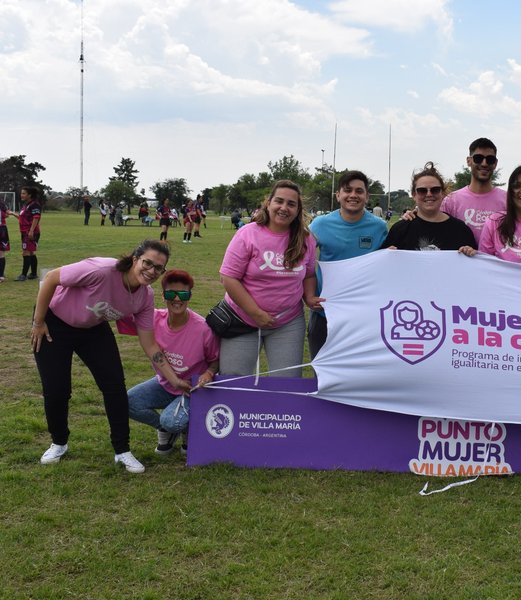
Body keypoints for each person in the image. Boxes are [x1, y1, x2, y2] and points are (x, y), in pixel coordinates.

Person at [30, 240, 185, 473]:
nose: (151, 271)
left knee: (114, 386)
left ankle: (122, 450)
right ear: (135, 259)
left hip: (93, 329)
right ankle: (59, 443)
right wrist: (39, 322)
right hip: (54, 323)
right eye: (147, 263)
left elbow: (149, 343)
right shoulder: (101, 270)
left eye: (158, 268)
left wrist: (173, 380)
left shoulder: (145, 296)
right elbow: (51, 277)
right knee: (57, 389)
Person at [218, 180, 321, 377]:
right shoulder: (247, 234)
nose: (284, 208)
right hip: (242, 319)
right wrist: (255, 312)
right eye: (279, 201)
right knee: (233, 381)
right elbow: (228, 277)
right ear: (268, 203)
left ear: (298, 209)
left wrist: (309, 297)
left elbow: (308, 273)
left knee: (286, 384)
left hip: (288, 323)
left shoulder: (306, 238)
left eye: (291, 204)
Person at [128, 269, 219, 454]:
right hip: (165, 384)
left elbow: (216, 360)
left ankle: (187, 429)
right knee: (127, 402)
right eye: (171, 294)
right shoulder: (152, 319)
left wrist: (208, 373)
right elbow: (124, 309)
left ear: (190, 296)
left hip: (191, 389)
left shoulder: (202, 329)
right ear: (163, 296)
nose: (177, 299)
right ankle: (166, 430)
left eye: (183, 294)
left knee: (172, 421)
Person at [307, 171, 388, 358]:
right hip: (325, 313)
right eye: (347, 190)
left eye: (359, 191)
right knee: (322, 372)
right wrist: (309, 296)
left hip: (364, 316)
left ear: (367, 197)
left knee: (360, 374)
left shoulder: (379, 227)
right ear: (338, 195)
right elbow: (306, 263)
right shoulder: (320, 224)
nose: (353, 195)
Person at [382, 162, 476, 252]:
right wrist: (387, 254)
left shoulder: (461, 230)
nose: (429, 194)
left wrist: (470, 253)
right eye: (422, 190)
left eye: (435, 190)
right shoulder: (400, 230)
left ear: (442, 193)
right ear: (414, 195)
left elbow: (474, 264)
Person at [438, 137, 506, 242]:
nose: (484, 163)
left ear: (495, 163)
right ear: (469, 161)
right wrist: (413, 215)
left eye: (490, 159)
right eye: (478, 158)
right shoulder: (451, 201)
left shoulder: (507, 200)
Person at [12, 186, 42, 281]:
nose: (22, 195)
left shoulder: (34, 205)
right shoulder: (26, 205)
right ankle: (33, 273)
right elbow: (23, 218)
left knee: (26, 252)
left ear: (30, 195)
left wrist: (31, 231)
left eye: (24, 193)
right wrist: (13, 214)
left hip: (29, 232)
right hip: (26, 232)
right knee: (31, 252)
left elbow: (36, 217)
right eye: (21, 193)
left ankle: (23, 275)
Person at [0, 196, 9, 282]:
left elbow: (7, 214)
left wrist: (4, 215)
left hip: (1, 229)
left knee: (1, 252)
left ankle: (1, 275)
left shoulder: (2, 203)